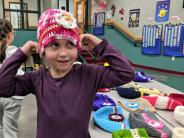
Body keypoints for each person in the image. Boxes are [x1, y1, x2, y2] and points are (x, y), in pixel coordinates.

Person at [0, 9, 134, 138]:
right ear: (43, 50)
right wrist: (22, 53)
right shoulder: (37, 78)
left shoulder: (89, 74)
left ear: (78, 47)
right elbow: (3, 87)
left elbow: (125, 72)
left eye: (70, 44)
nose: (63, 53)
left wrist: (100, 44)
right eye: (55, 45)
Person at [0, 19, 24, 138]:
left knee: (0, 126)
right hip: (13, 96)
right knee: (10, 129)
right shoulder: (14, 51)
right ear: (9, 35)